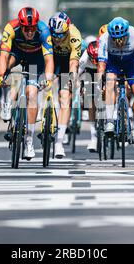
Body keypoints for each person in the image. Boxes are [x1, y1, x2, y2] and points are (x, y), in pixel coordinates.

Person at [0, 7, 54, 160]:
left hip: (36, 60)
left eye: (32, 29)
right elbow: (3, 56)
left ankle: (29, 141)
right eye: (26, 29)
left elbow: (49, 59)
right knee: (8, 65)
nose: (29, 32)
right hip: (17, 53)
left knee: (32, 93)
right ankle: (7, 101)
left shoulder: (44, 31)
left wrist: (48, 78)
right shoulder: (10, 28)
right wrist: (1, 76)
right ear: (20, 26)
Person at [97, 17, 134, 143]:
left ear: (127, 34)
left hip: (132, 64)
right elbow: (101, 64)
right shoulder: (104, 39)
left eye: (122, 39)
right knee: (109, 82)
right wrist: (100, 82)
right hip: (113, 63)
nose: (119, 42)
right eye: (115, 39)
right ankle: (109, 121)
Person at [48, 12, 82, 158]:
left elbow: (73, 63)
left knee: (65, 97)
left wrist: (72, 79)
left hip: (66, 62)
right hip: (49, 59)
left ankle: (59, 143)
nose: (57, 38)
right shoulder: (46, 34)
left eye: (61, 35)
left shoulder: (75, 35)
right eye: (54, 35)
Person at [78, 39, 99, 152]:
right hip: (89, 72)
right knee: (90, 100)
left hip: (104, 70)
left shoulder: (106, 54)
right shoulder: (85, 58)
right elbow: (76, 74)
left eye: (97, 60)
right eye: (93, 60)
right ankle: (93, 136)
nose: (95, 62)